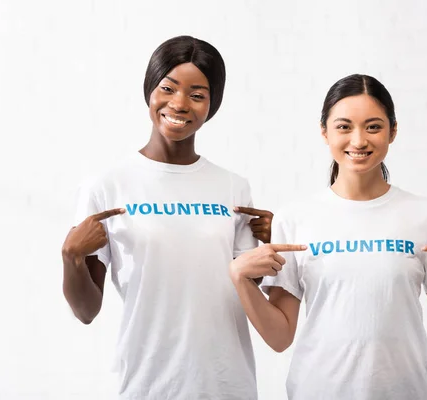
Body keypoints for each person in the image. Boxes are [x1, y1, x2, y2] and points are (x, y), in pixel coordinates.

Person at [229, 74, 427, 400]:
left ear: (393, 131)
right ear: (324, 132)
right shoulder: (296, 218)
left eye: (373, 127)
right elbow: (279, 337)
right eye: (344, 127)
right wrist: (240, 278)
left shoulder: (424, 214)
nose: (358, 140)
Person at [61, 35, 272, 400]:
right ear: (150, 91)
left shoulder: (233, 188)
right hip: (148, 385)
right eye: (168, 88)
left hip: (227, 384)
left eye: (197, 94)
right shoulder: (107, 187)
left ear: (212, 105)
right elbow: (86, 312)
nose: (179, 103)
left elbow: (251, 297)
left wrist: (275, 240)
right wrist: (71, 256)